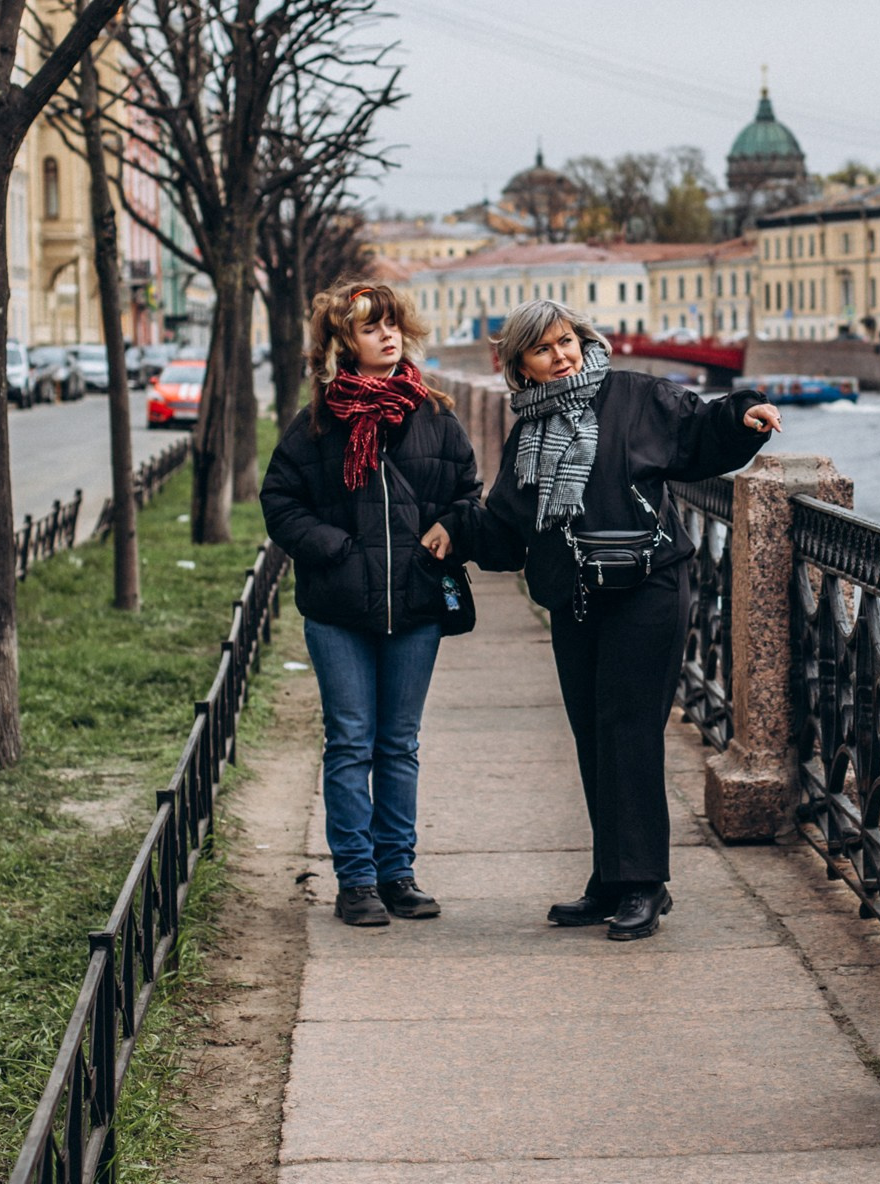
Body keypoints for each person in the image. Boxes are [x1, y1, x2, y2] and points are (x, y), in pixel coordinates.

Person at [461, 301, 782, 941]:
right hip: (574, 594)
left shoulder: (634, 396)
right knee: (592, 734)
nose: (562, 356)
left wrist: (743, 414)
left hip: (647, 586)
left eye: (567, 341)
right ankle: (610, 878)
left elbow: (699, 429)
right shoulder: (529, 430)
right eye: (543, 349)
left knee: (629, 731)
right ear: (520, 367)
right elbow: (507, 527)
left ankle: (644, 883)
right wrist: (453, 524)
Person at [260, 283, 483, 928]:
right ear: (342, 342)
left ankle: (397, 875)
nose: (387, 336)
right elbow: (280, 502)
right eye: (370, 327)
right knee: (351, 741)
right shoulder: (316, 423)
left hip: (415, 604)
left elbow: (469, 494)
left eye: (392, 325)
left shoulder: (434, 414)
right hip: (338, 609)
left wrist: (451, 528)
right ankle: (356, 880)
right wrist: (335, 548)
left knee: (399, 743)